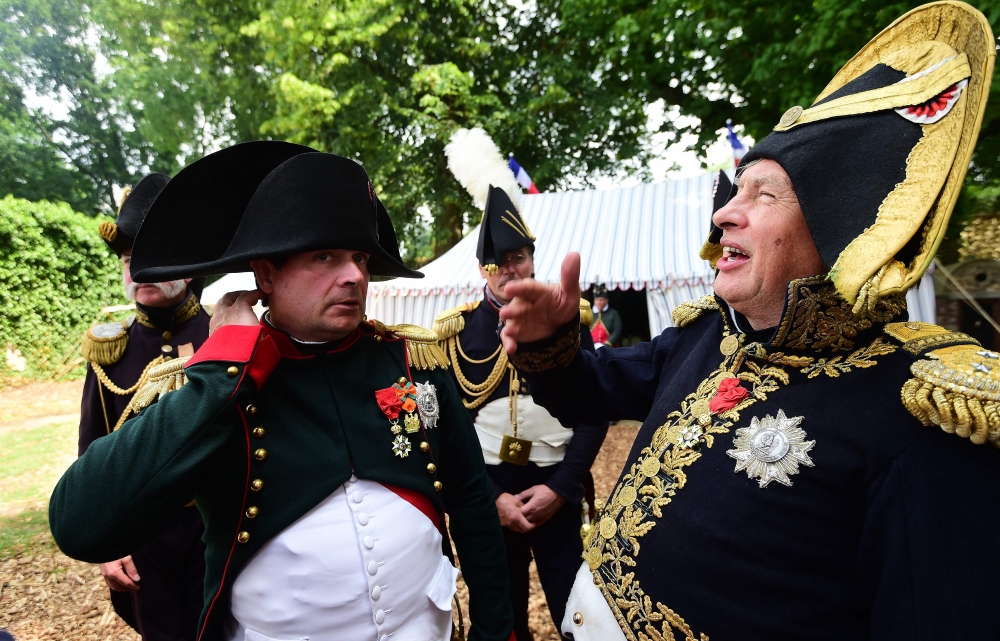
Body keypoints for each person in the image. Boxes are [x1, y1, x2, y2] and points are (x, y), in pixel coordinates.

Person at [497, 3, 1000, 639]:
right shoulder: (708, 332)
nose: (723, 215)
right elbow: (587, 392)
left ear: (838, 229)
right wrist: (550, 340)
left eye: (763, 194)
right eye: (736, 191)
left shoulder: (919, 413)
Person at [51, 141, 515, 641]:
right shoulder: (212, 381)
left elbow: (472, 505)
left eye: (359, 257)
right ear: (265, 274)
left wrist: (496, 632)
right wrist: (223, 366)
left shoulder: (413, 362)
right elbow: (80, 524)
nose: (355, 275)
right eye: (325, 256)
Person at [433, 179, 606, 640]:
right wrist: (491, 498)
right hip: (488, 491)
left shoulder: (568, 320)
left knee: (579, 613)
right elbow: (450, 431)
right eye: (497, 261)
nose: (509, 269)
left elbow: (593, 411)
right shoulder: (456, 332)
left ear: (531, 258)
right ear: (481, 268)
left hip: (557, 485)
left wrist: (561, 489)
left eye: (518, 257)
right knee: (501, 618)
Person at [81, 173, 208, 639]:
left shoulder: (225, 336)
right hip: (141, 534)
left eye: (155, 256)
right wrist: (106, 540)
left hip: (219, 529)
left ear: (189, 268)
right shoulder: (109, 349)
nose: (138, 270)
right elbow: (92, 455)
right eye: (130, 259)